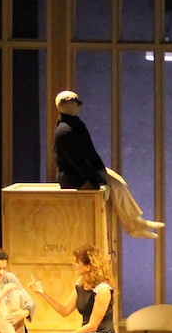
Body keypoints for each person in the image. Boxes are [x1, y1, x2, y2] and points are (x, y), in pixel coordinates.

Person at [52, 90, 164, 238]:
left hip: (84, 173)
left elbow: (90, 152)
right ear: (65, 105)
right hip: (74, 179)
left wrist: (101, 170)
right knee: (114, 185)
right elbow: (78, 162)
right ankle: (134, 225)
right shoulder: (64, 132)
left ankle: (136, 222)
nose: (79, 105)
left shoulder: (77, 125)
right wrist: (99, 182)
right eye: (76, 102)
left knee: (119, 181)